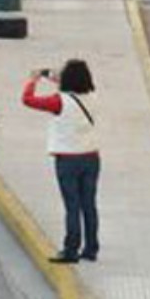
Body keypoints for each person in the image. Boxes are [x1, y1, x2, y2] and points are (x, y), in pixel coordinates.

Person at [23, 60, 102, 263]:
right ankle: (91, 248)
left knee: (72, 205)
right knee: (89, 204)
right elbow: (63, 80)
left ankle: (71, 249)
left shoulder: (59, 101)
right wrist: (45, 73)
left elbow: (28, 100)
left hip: (68, 159)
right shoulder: (92, 96)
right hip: (91, 157)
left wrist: (33, 80)